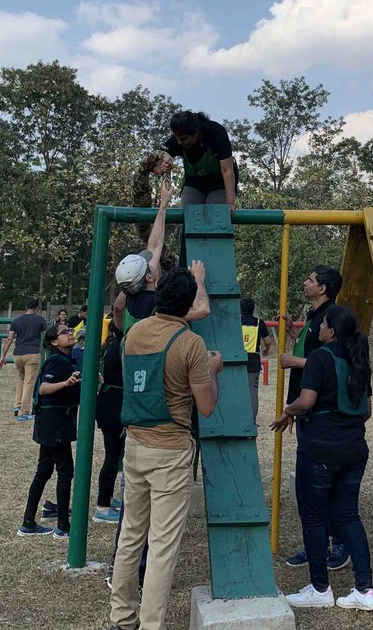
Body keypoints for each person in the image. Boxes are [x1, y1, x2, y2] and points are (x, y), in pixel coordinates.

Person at [108, 263, 222, 630]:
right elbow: (206, 406)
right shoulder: (190, 343)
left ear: (158, 296)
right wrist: (212, 370)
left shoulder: (134, 333)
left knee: (130, 536)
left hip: (134, 445)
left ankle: (122, 617)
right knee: (161, 545)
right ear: (189, 304)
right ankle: (150, 625)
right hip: (170, 451)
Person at [271, 305, 373, 611]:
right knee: (349, 515)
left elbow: (306, 401)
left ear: (331, 331)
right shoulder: (358, 359)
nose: (318, 327)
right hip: (354, 449)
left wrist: (288, 410)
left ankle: (320, 588)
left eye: (323, 324)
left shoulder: (320, 357)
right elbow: (366, 411)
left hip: (320, 449)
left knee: (314, 517)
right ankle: (365, 590)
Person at [279, 265, 347, 570]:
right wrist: (294, 334)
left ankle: (339, 544)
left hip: (320, 413)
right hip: (306, 410)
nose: (304, 282)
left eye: (310, 279)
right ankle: (315, 544)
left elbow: (330, 361)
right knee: (308, 485)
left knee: (321, 484)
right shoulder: (314, 317)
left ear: (322, 288)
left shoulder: (330, 319)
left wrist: (292, 361)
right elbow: (314, 352)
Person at [17, 324, 81, 538]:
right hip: (54, 425)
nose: (70, 333)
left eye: (70, 330)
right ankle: (63, 527)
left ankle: (28, 523)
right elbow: (44, 388)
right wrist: (65, 383)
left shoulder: (67, 359)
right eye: (64, 332)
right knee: (65, 472)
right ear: (54, 341)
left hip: (52, 424)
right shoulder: (55, 360)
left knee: (44, 472)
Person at [112, 176, 173, 334]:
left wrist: (121, 332)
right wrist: (163, 204)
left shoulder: (129, 295)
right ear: (149, 277)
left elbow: (117, 307)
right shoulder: (160, 302)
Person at [163, 110, 238, 214]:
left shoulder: (216, 132)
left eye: (184, 139)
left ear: (196, 132)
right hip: (193, 182)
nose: (179, 142)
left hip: (220, 182)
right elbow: (157, 156)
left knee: (215, 214)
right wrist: (160, 166)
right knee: (190, 215)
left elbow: (227, 169)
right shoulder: (177, 140)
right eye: (177, 138)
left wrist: (230, 202)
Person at [92, 312, 126, 524]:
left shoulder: (111, 346)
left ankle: (108, 499)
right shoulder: (118, 348)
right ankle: (102, 507)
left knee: (113, 455)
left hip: (109, 404)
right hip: (113, 406)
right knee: (112, 456)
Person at [0, 299, 46, 421]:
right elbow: (46, 336)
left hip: (18, 354)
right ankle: (24, 412)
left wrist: (3, 356)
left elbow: (9, 339)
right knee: (29, 382)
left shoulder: (16, 321)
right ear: (37, 308)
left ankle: (17, 406)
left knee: (21, 379)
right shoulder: (40, 320)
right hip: (33, 354)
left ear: (26, 307)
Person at [241, 297, 273, 423]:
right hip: (253, 359)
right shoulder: (260, 323)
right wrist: (266, 350)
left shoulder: (236, 322)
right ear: (253, 309)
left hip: (238, 359)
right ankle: (252, 420)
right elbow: (268, 341)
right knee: (252, 390)